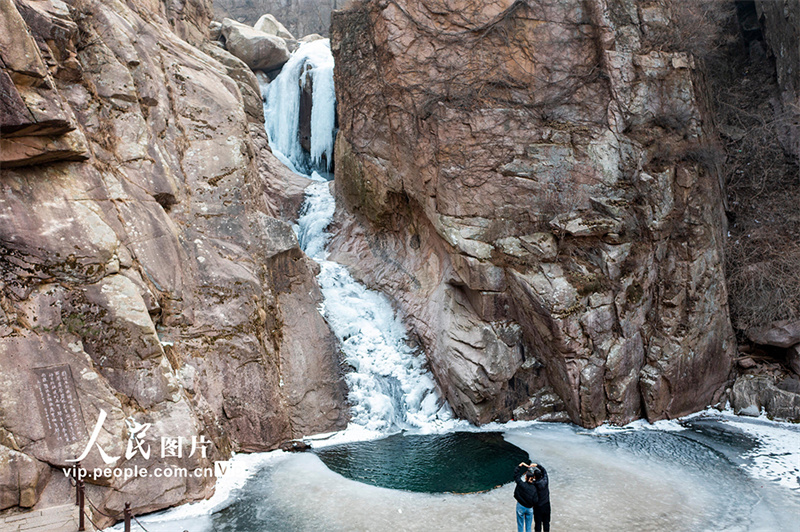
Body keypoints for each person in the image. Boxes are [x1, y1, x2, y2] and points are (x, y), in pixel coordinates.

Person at [513, 462, 538, 532]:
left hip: (520, 506)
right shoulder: (535, 488)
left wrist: (520, 465)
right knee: (528, 526)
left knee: (520, 524)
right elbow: (536, 500)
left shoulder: (521, 484)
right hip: (529, 508)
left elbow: (516, 475)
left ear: (526, 477)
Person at [529, 462, 550, 532]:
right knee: (546, 523)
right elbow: (544, 471)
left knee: (538, 523)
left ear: (534, 477)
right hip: (547, 505)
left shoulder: (534, 485)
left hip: (538, 506)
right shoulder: (545, 480)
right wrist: (537, 465)